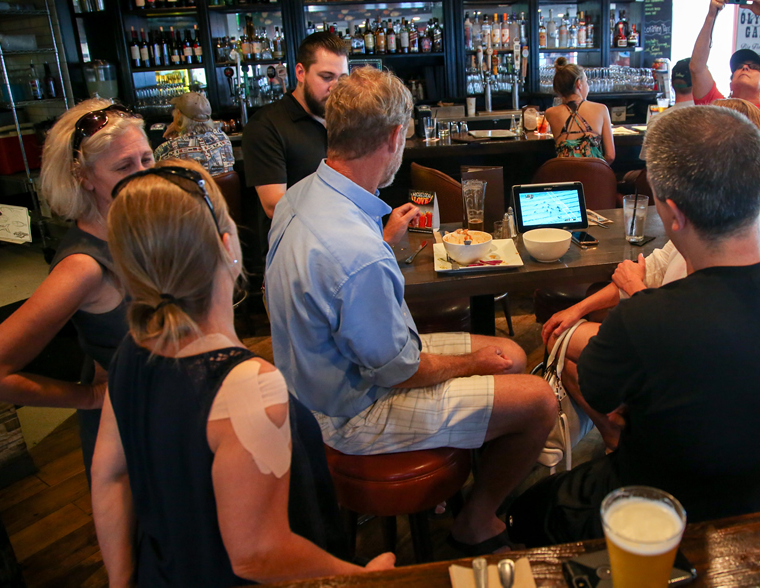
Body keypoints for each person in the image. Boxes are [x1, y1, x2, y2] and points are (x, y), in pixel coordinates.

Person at [507, 106, 760, 546]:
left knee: (524, 513)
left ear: (674, 214)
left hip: (661, 515)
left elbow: (602, 395)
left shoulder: (646, 314)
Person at [264, 66, 557, 556]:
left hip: (311, 385)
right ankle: (477, 521)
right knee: (539, 399)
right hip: (352, 412)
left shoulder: (300, 197)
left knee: (508, 351)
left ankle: (464, 480)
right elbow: (397, 370)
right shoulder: (356, 252)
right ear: (396, 137)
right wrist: (469, 365)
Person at [92, 159, 394, 585]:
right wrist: (361, 579)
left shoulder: (130, 351)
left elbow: (108, 476)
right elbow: (257, 555)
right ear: (227, 244)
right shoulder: (248, 386)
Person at [543, 98, 760, 448]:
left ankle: (621, 438)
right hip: (673, 357)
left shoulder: (722, 243)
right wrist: (580, 308)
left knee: (563, 346)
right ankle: (622, 429)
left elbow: (691, 340)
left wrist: (638, 295)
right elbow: (657, 271)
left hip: (678, 382)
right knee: (564, 333)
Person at [0, 99, 154, 476]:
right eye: (124, 166)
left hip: (161, 407)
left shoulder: (132, 223)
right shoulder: (83, 266)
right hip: (130, 432)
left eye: (147, 159)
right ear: (84, 176)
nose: (143, 174)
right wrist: (90, 397)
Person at [242, 32, 349, 220]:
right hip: (295, 245)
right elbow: (275, 206)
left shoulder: (343, 119)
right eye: (326, 77)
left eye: (341, 79)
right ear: (301, 72)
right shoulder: (265, 126)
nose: (335, 88)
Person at [545, 57, 615, 163]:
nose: (588, 86)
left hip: (565, 176)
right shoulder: (601, 109)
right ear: (579, 84)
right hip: (594, 176)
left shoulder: (550, 113)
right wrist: (599, 170)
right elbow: (610, 156)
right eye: (586, 81)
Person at [154, 92, 235, 176]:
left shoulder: (166, 150)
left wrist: (174, 136)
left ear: (178, 114)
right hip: (221, 189)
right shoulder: (223, 138)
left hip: (191, 189)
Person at [639, 58, 694, 161]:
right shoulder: (709, 119)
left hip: (662, 176)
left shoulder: (657, 120)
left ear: (671, 84)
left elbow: (647, 161)